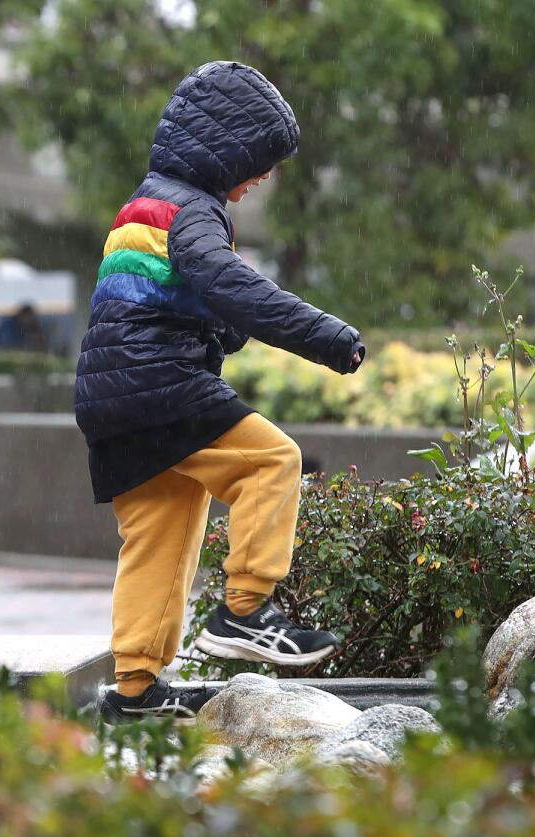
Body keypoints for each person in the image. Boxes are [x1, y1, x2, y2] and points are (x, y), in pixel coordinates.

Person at [74, 61, 366, 723]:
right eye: (259, 162)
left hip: (111, 395)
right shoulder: (191, 211)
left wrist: (223, 323)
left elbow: (171, 299)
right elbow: (232, 287)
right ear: (227, 148)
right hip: (159, 385)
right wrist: (325, 336)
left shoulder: (145, 205)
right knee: (273, 460)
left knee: (162, 533)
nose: (260, 178)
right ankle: (245, 613)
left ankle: (136, 689)